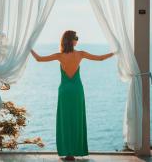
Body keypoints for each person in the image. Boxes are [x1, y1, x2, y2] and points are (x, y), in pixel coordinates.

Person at [30, 30, 115, 161]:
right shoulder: (81, 54)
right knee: (77, 119)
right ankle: (75, 151)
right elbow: (101, 58)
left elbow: (39, 59)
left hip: (64, 91)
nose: (77, 40)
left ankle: (68, 153)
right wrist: (115, 52)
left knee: (65, 121)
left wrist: (29, 48)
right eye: (76, 37)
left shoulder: (60, 56)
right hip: (76, 91)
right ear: (71, 40)